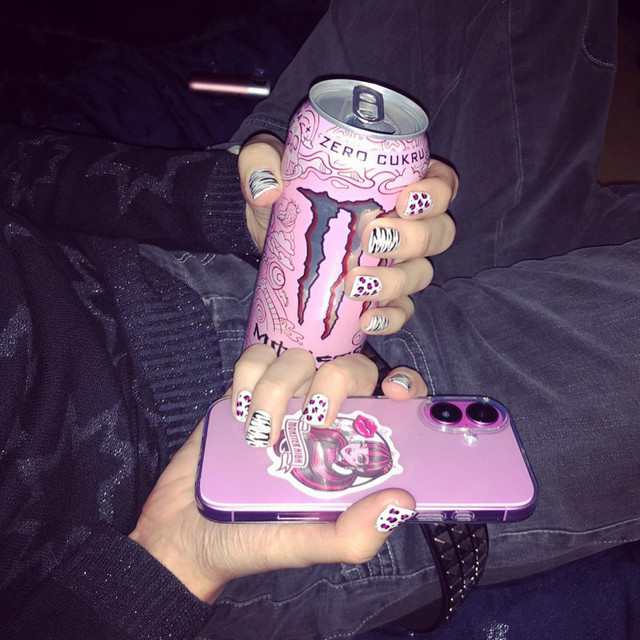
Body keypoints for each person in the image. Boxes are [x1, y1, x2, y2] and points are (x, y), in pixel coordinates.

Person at [1, 2, 640, 640]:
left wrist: (234, 204)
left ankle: (530, 233)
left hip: (178, 252)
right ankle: (530, 238)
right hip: (203, 483)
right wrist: (169, 568)